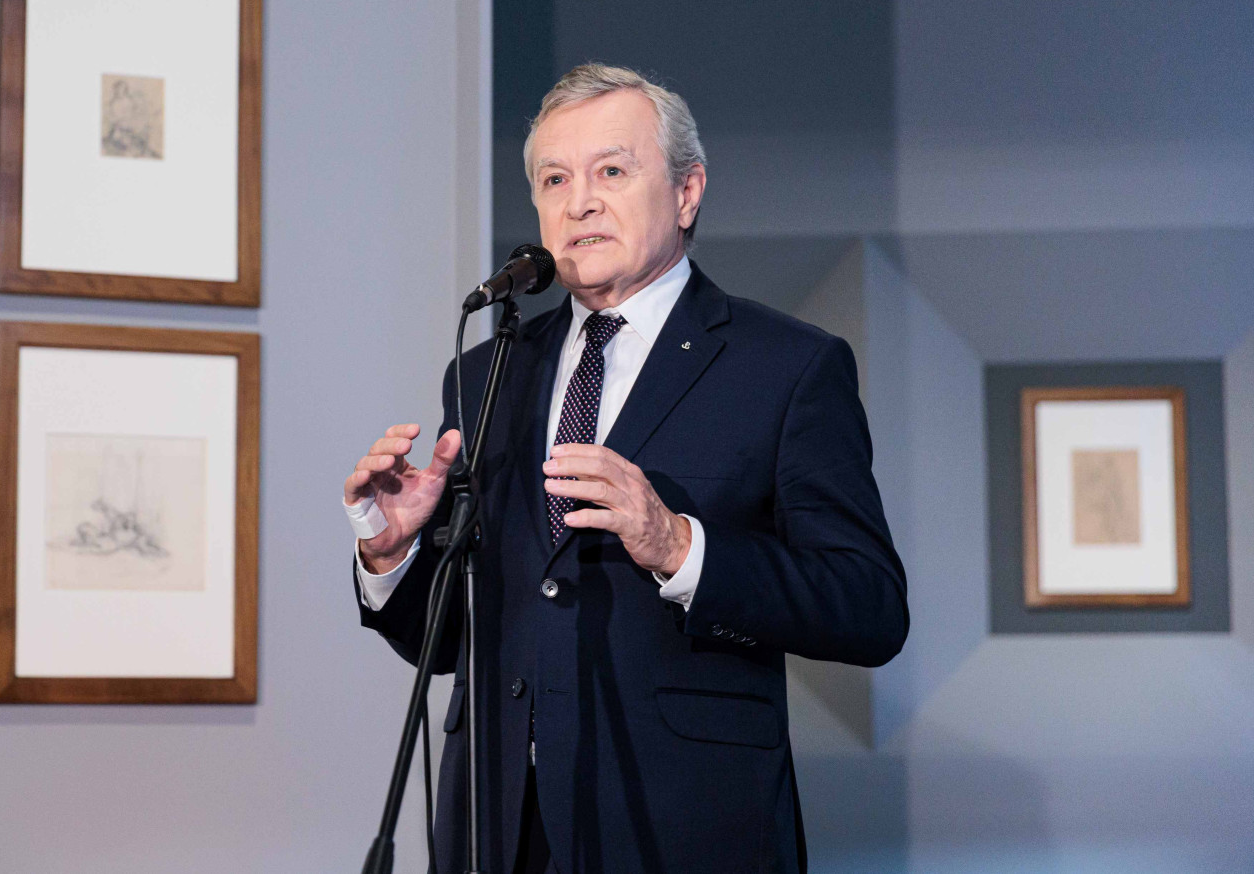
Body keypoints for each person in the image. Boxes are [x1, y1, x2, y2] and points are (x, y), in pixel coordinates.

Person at [344, 64, 908, 873]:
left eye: (611, 171)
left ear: (686, 193)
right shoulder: (485, 373)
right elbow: (450, 643)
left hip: (682, 826)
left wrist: (680, 547)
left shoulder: (786, 366)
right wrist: (393, 555)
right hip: (497, 828)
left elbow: (868, 606)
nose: (580, 202)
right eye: (555, 179)